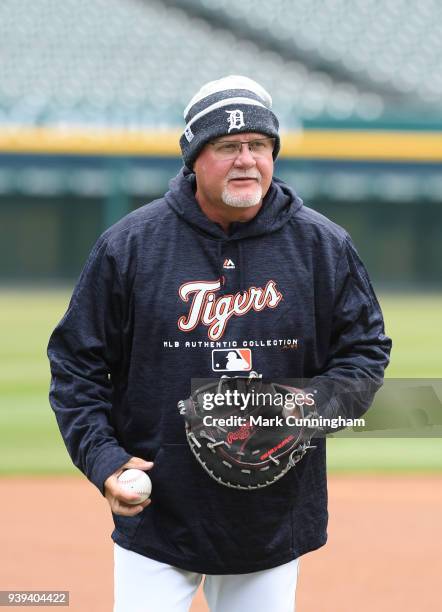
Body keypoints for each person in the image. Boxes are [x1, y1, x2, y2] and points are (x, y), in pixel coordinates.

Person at [47, 75, 392, 612]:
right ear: (193, 158)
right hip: (159, 511)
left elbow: (365, 353)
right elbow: (76, 365)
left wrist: (302, 411)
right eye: (227, 147)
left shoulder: (323, 246)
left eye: (259, 146)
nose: (246, 161)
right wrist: (106, 461)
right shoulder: (131, 246)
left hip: (271, 513)